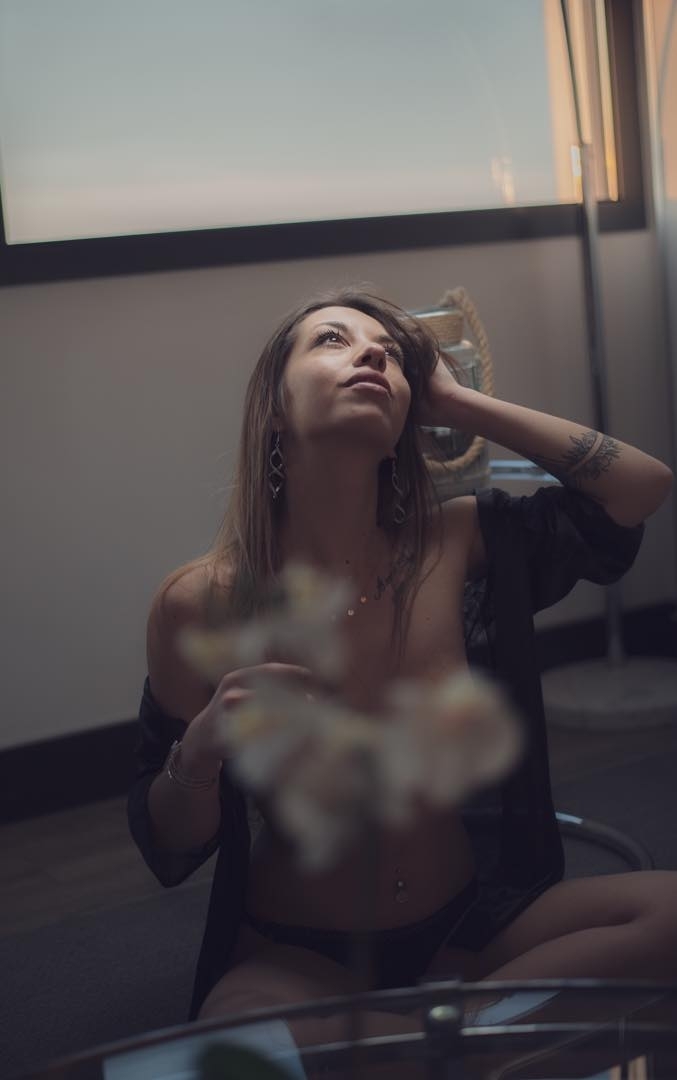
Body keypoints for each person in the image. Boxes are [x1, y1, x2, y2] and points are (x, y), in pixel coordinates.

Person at [128, 287, 676, 1037]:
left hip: (468, 931)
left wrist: (456, 403)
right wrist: (198, 751)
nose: (371, 354)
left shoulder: (454, 542)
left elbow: (641, 486)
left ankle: (427, 1042)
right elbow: (171, 842)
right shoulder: (197, 602)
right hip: (305, 956)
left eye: (389, 354)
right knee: (240, 1039)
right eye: (332, 339)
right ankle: (468, 1039)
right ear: (275, 410)